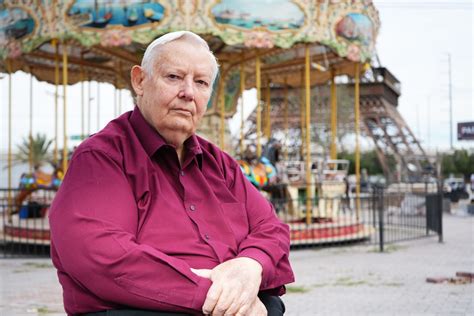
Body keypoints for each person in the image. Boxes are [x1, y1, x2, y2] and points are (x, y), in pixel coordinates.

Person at [49, 31, 294, 316]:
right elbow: (102, 255)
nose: (188, 92)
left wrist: (250, 265)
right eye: (174, 77)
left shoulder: (221, 165)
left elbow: (271, 228)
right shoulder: (102, 157)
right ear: (140, 81)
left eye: (201, 82)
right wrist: (224, 299)